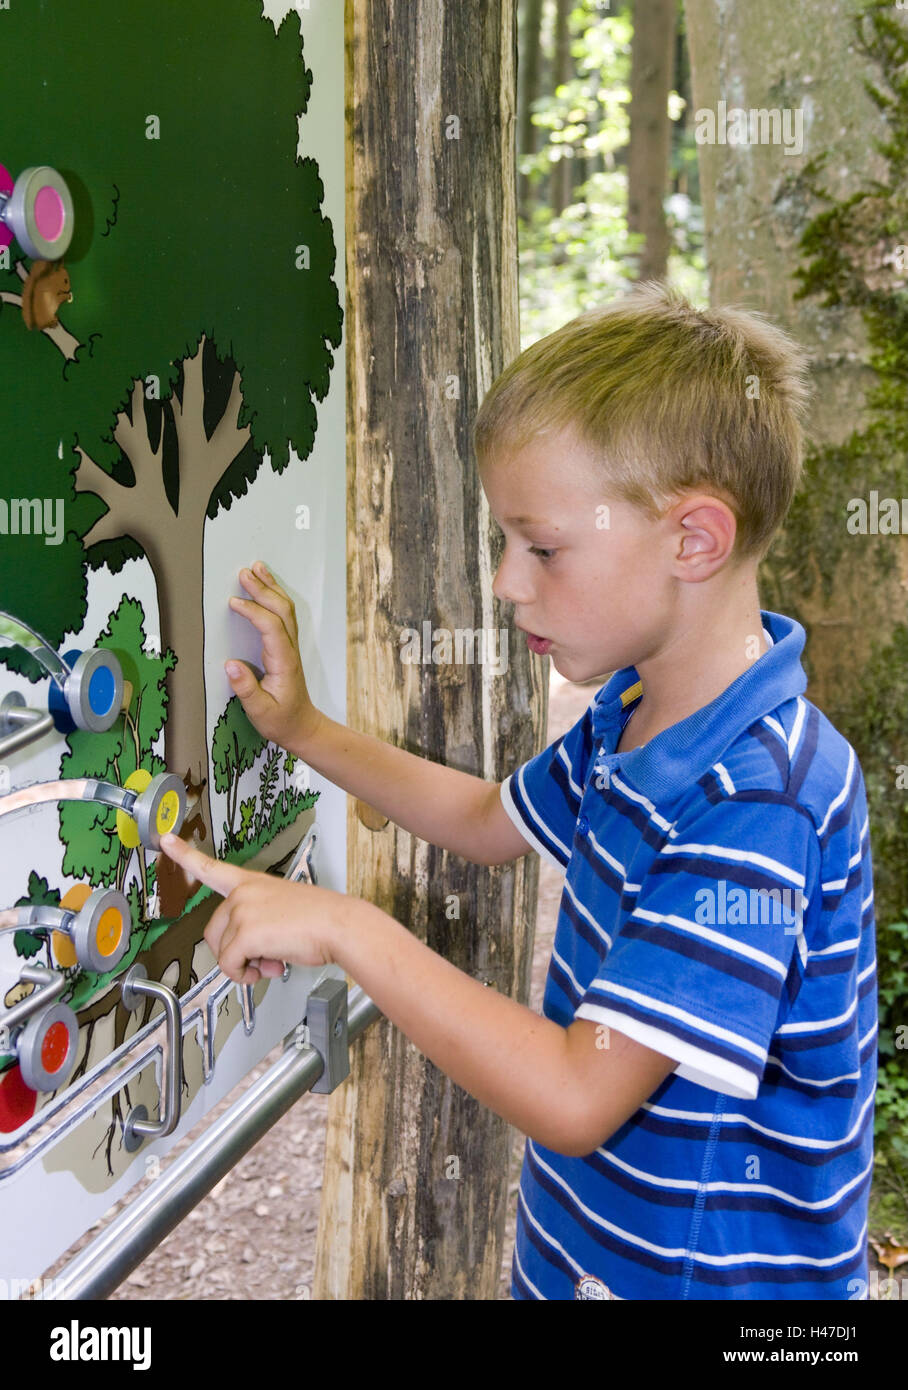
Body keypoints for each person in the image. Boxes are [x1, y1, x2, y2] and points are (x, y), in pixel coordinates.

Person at [161, 280, 876, 1301]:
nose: (505, 581)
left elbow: (577, 1093)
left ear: (693, 541)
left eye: (540, 547)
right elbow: (485, 821)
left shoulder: (756, 800)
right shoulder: (636, 712)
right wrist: (301, 728)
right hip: (583, 1256)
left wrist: (349, 929)